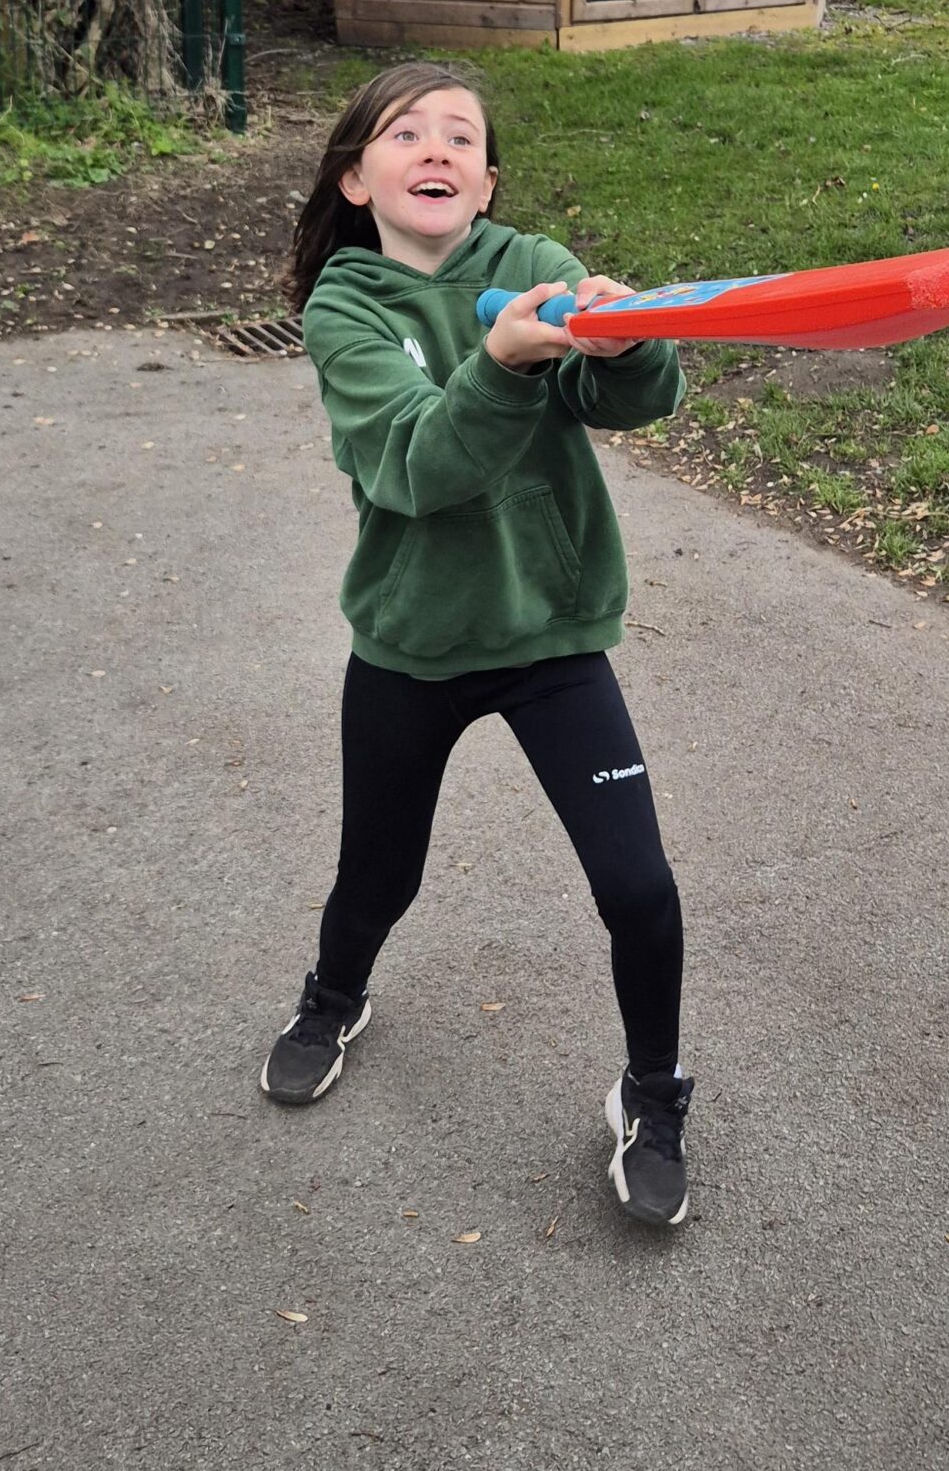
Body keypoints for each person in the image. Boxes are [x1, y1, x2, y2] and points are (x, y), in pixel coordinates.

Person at [260, 60, 695, 1228]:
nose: (437, 148)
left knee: (638, 885)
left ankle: (651, 1093)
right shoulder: (345, 310)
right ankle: (332, 996)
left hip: (550, 636)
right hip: (410, 644)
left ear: (487, 181)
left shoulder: (534, 262)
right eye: (406, 132)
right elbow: (415, 467)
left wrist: (625, 346)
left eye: (461, 135)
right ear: (356, 178)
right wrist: (499, 361)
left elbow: (624, 402)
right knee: (378, 873)